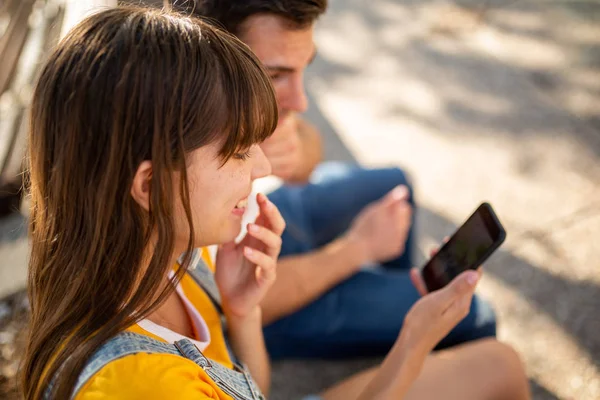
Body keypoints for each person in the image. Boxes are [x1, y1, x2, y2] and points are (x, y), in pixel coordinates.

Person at [22, 6, 530, 400]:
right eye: (240, 152)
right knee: (491, 349)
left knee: (500, 363)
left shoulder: (159, 255)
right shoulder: (145, 386)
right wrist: (413, 343)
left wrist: (242, 314)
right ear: (150, 186)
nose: (262, 170)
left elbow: (252, 387)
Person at [179, 0, 498, 359]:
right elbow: (235, 293)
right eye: (275, 76)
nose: (300, 100)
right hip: (265, 299)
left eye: (304, 70)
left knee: (397, 185)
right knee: (475, 315)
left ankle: (398, 314)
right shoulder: (189, 161)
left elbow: (309, 155)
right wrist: (358, 248)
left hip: (269, 217)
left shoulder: (249, 101)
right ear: (209, 53)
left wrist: (295, 148)